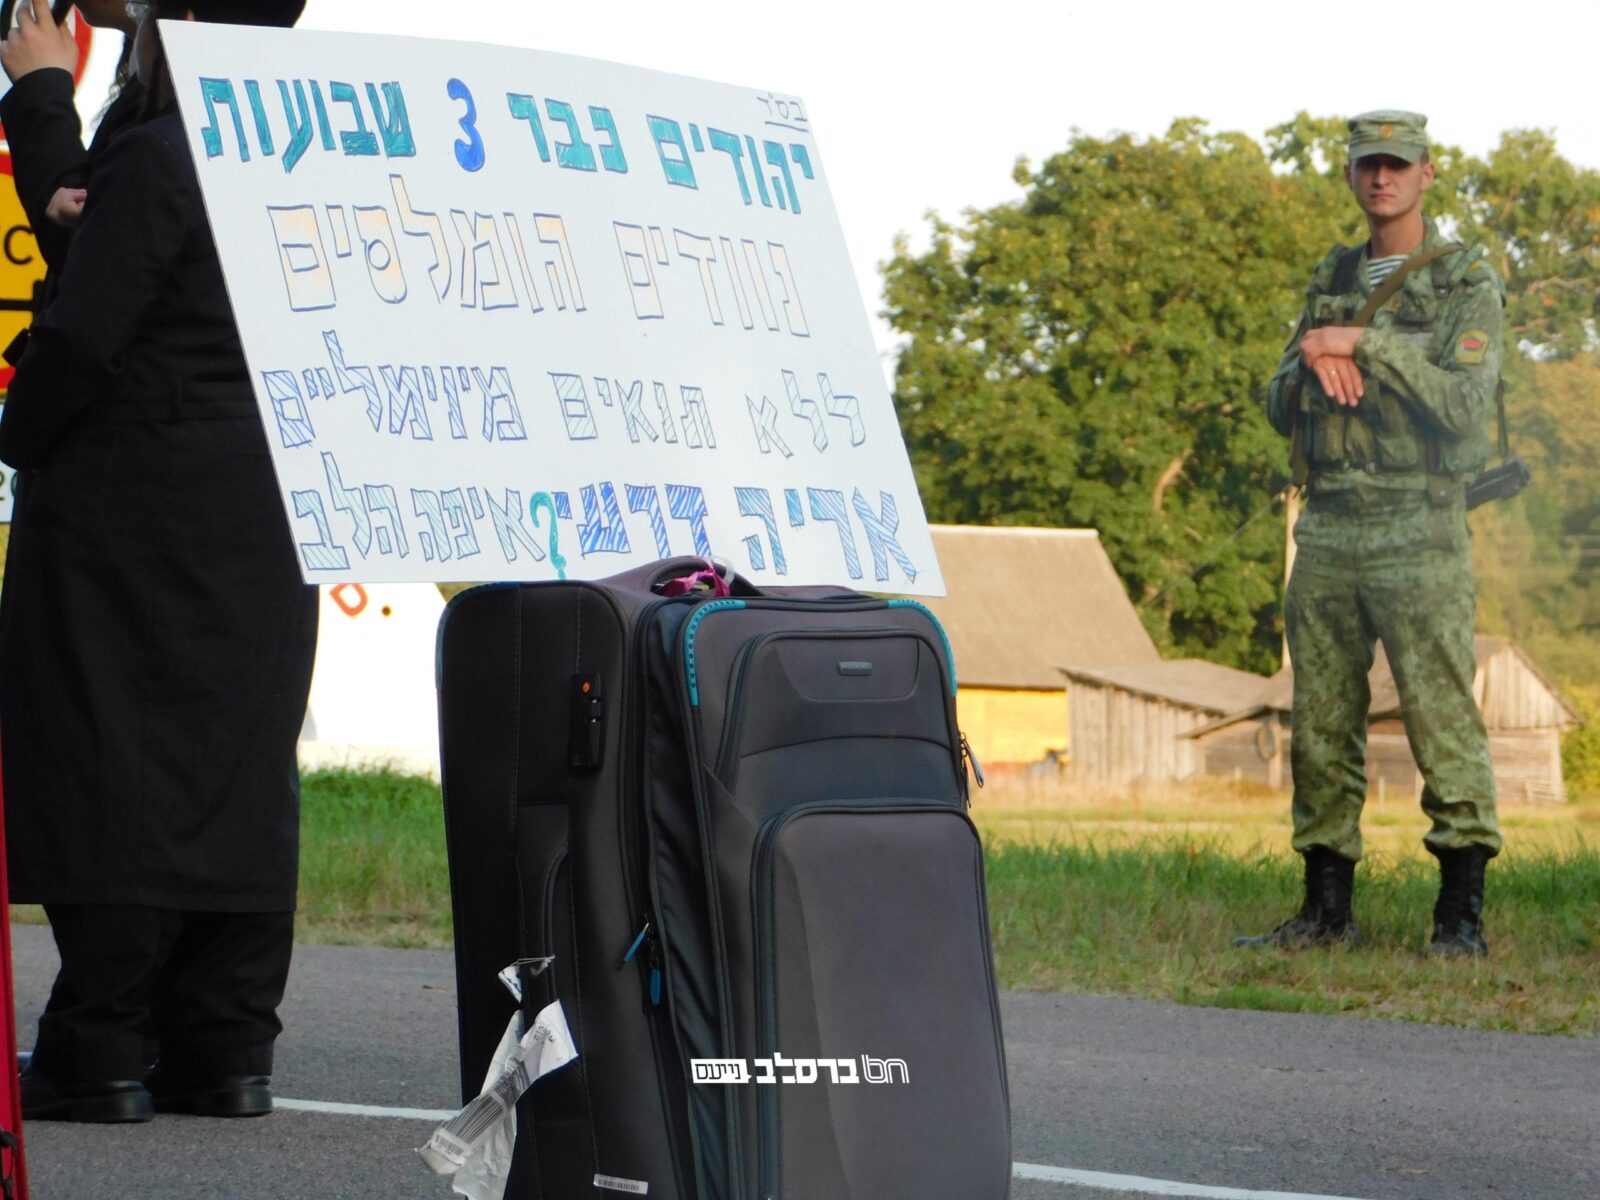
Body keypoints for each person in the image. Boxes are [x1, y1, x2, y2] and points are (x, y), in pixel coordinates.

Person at [0, 0, 315, 1124]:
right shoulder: (297, 150)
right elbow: (149, 263)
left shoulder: (159, 145)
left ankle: (100, 1043)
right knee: (237, 750)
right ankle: (224, 1042)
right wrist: (61, 138)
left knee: (113, 747)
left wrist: (20, 426)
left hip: (133, 493)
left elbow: (92, 328)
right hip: (271, 495)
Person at [1240, 111, 1504, 957]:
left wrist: (1362, 342)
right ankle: (1324, 912)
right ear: (1352, 177)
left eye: (1396, 165)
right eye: (1366, 166)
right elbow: (1278, 397)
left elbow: (1464, 404)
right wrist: (1313, 356)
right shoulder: (1334, 273)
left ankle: (1458, 918)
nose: (1379, 179)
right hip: (1328, 523)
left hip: (1419, 523)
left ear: (1428, 173)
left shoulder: (1466, 277)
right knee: (1319, 721)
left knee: (1439, 716)